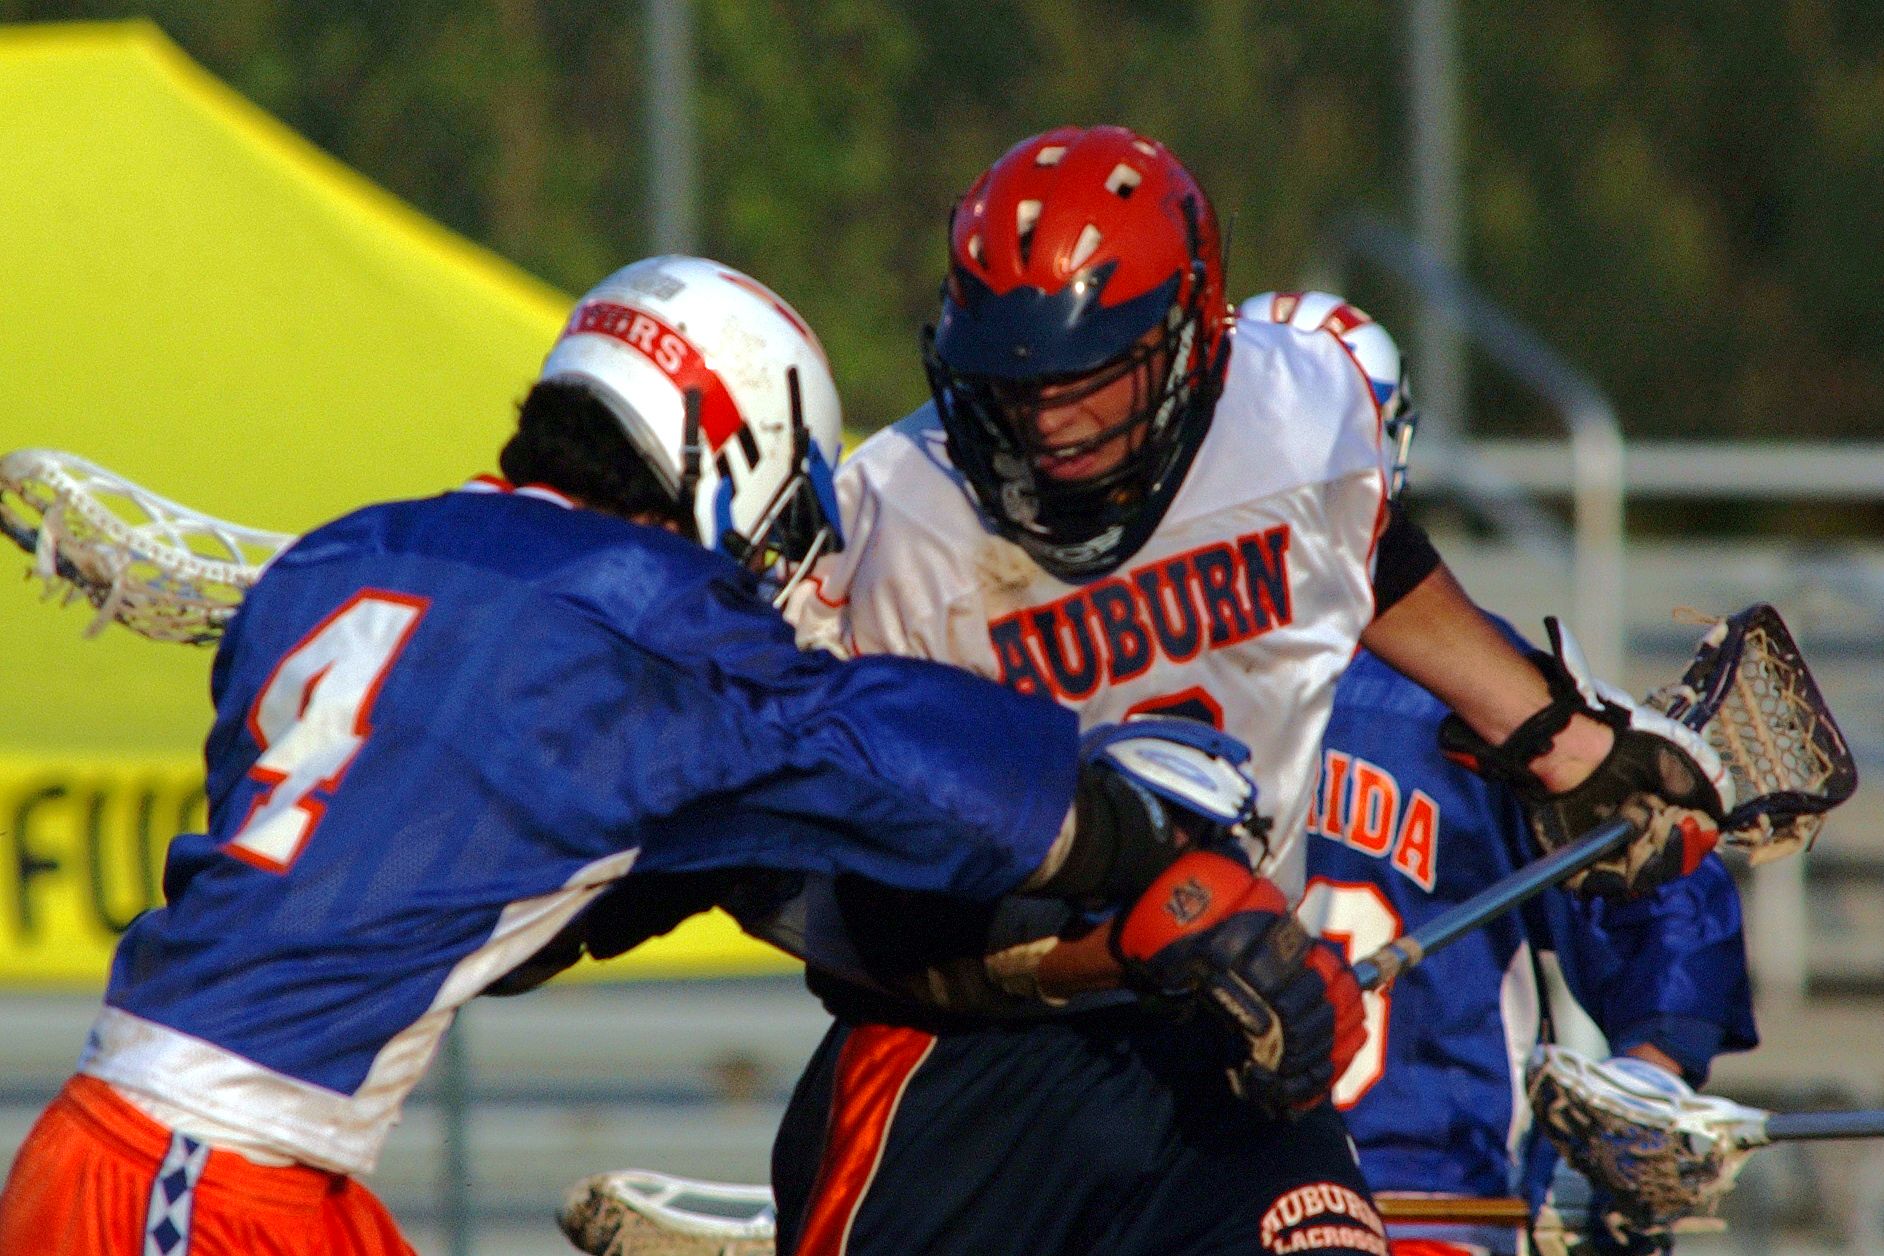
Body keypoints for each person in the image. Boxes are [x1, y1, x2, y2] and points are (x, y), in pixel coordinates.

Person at [0, 255, 1282, 1256]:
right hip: (200, 1172)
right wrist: (1117, 815)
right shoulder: (634, 612)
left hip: (205, 1158)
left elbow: (473, 896)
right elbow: (875, 747)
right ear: (730, 452)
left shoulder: (355, 554)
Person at [767, 127, 1733, 1256]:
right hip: (972, 1060)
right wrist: (1143, 939)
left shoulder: (1296, 415)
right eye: (1016, 382)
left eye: (1088, 375)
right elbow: (867, 921)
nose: (1048, 419)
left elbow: (1359, 553)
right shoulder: (887, 527)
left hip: (1229, 1040)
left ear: (1190, 335)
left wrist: (1547, 730)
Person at [1304, 641, 1757, 1256]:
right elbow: (1666, 881)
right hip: (1444, 1194)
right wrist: (1652, 1073)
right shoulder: (1481, 683)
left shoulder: (1189, 677)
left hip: (1239, 1198)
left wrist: (1645, 1079)